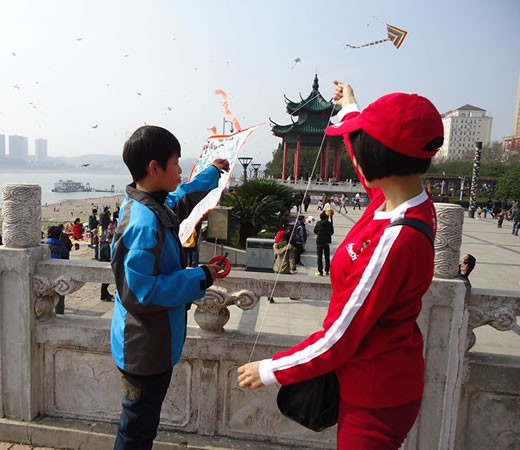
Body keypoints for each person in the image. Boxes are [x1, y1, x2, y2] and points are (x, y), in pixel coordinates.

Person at [238, 81, 444, 449]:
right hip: (378, 378)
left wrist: (271, 369)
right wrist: (350, 108)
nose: (356, 154)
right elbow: (370, 166)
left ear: (381, 158)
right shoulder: (404, 198)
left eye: (362, 145)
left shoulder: (395, 240)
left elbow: (339, 337)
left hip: (375, 396)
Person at [111, 125, 227, 449]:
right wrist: (200, 277)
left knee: (140, 427)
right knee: (136, 433)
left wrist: (211, 174)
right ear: (154, 168)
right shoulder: (143, 223)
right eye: (175, 163)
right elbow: (140, 292)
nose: (179, 170)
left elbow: (180, 197)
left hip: (149, 343)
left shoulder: (149, 203)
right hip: (143, 349)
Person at [45, 226, 70, 314]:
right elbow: (66, 264)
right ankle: (59, 316)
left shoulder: (43, 247)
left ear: (48, 234)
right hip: (59, 278)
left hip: (44, 277)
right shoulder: (63, 249)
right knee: (59, 298)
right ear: (59, 236)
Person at [314, 212, 334, 276]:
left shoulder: (318, 223)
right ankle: (327, 270)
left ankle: (320, 271)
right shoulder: (329, 223)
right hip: (327, 241)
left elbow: (315, 231)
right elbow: (332, 232)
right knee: (327, 256)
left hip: (319, 241)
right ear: (326, 217)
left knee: (319, 257)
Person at [98, 234, 113, 301]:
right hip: (105, 263)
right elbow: (108, 255)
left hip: (103, 262)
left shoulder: (103, 243)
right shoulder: (106, 246)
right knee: (106, 280)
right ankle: (104, 295)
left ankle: (106, 293)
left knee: (106, 280)